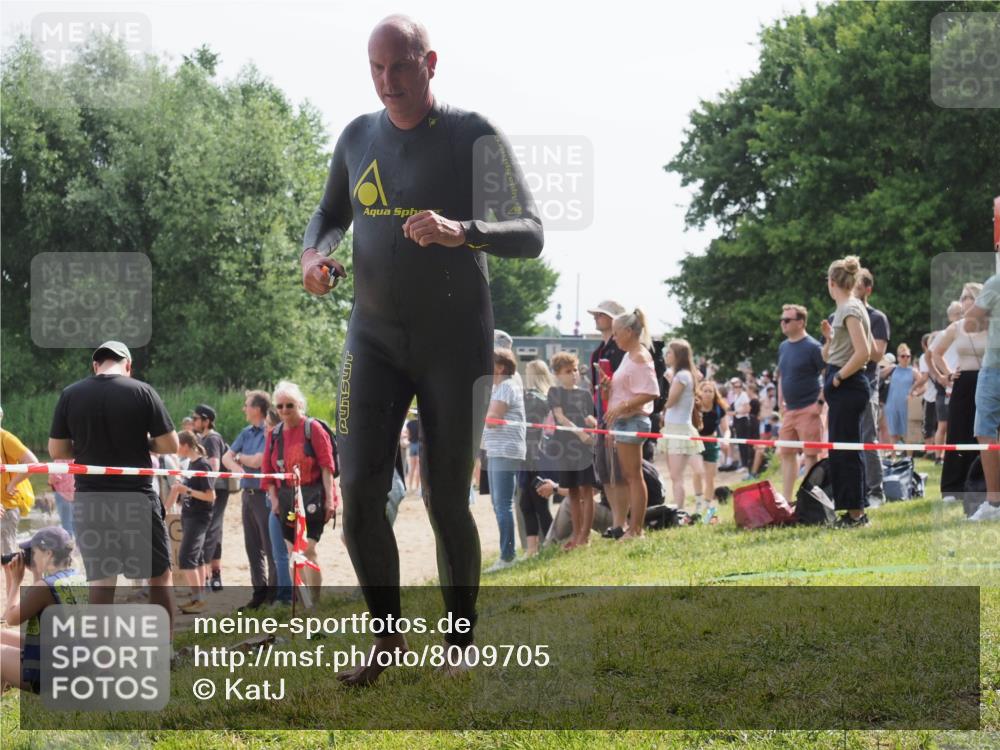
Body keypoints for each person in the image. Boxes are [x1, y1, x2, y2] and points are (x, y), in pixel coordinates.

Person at [299, 14, 543, 684]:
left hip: (455, 345)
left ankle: (459, 642)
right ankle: (387, 639)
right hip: (370, 341)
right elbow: (327, 215)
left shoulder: (470, 134)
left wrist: (461, 230)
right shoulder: (357, 137)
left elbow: (531, 232)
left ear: (429, 63)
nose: (387, 82)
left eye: (399, 67)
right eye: (375, 69)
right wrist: (312, 256)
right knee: (358, 494)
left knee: (443, 499)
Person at [47, 341, 178, 636]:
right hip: (136, 498)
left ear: (96, 365)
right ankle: (164, 650)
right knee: (159, 576)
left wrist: (87, 446)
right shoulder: (142, 391)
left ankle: (100, 654)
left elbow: (57, 450)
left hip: (91, 499)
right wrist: (140, 442)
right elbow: (171, 444)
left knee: (102, 582)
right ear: (128, 365)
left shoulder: (71, 394)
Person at [261, 381, 336, 602]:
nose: (284, 410)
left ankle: (315, 600)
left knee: (308, 549)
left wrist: (330, 500)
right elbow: (268, 472)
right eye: (280, 406)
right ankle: (306, 603)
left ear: (299, 405)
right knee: (295, 554)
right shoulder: (274, 435)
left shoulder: (313, 429)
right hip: (286, 501)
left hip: (314, 496)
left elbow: (327, 466)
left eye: (289, 405)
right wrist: (274, 500)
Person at [819, 257, 874, 528]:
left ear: (831, 283)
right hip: (846, 381)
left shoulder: (849, 309)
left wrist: (838, 378)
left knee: (847, 451)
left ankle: (856, 514)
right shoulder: (854, 307)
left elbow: (864, 352)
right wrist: (831, 338)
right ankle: (851, 511)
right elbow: (870, 349)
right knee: (842, 449)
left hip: (847, 382)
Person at [1, 527, 87, 693]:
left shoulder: (45, 587)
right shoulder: (77, 576)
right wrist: (36, 575)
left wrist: (16, 581)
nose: (30, 557)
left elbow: (11, 618)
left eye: (33, 552)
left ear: (48, 554)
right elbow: (32, 608)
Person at [599, 309, 660, 540]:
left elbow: (651, 392)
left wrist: (622, 406)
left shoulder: (640, 356)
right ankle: (633, 528)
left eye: (616, 333)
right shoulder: (629, 355)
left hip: (633, 420)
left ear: (628, 331)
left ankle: (636, 529)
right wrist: (608, 387)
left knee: (634, 476)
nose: (613, 338)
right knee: (629, 476)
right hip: (624, 421)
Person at [222, 390, 278, 609]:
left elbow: (258, 461)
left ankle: (274, 594)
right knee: (252, 547)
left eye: (247, 405)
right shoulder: (246, 432)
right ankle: (259, 593)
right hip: (248, 495)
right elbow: (227, 457)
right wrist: (241, 470)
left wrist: (240, 458)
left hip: (265, 496)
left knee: (270, 546)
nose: (244, 409)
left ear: (257, 408)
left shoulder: (270, 430)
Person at [932, 283, 986, 504]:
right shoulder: (956, 327)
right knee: (957, 432)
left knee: (982, 434)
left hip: (986, 382)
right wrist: (945, 375)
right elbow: (935, 353)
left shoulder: (992, 325)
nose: (965, 301)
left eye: (969, 297)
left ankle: (979, 484)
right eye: (963, 297)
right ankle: (952, 488)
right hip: (963, 384)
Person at [776, 304, 827, 502]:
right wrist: (781, 402)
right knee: (786, 453)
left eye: (787, 320)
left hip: (809, 408)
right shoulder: (783, 346)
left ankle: (809, 501)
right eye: (782, 320)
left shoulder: (813, 347)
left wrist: (820, 404)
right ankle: (787, 500)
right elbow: (782, 376)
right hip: (789, 411)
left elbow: (827, 376)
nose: (783, 323)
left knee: (811, 455)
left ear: (801, 322)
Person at [548, 352, 598, 550]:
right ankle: (577, 535)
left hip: (584, 449)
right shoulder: (555, 392)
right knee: (573, 492)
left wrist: (591, 424)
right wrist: (580, 433)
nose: (573, 374)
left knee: (587, 490)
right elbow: (560, 417)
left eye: (575, 369)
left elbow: (591, 418)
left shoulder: (585, 393)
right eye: (568, 371)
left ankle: (586, 535)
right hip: (566, 446)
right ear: (558, 374)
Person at [586, 299, 627, 529]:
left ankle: (623, 522)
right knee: (606, 473)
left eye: (600, 315)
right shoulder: (597, 352)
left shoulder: (620, 350)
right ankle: (615, 523)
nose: (596, 318)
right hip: (602, 417)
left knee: (619, 473)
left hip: (618, 416)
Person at [961, 274, 1000, 520]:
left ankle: (994, 502)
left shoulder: (996, 282)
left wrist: (989, 319)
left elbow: (969, 321)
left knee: (985, 431)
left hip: (994, 368)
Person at [483, 349, 526, 570]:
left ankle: (508, 556)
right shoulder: (497, 388)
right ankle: (506, 553)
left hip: (505, 451)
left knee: (503, 505)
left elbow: (492, 419)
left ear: (501, 367)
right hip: (496, 450)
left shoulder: (507, 387)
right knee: (498, 504)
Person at [165, 431, 215, 614]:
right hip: (189, 515)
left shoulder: (203, 465)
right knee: (197, 557)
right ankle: (199, 598)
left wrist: (187, 490)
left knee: (186, 558)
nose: (175, 449)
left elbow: (210, 496)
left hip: (199, 516)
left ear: (185, 445)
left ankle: (198, 599)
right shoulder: (191, 464)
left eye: (177, 445)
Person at [853, 268, 891, 506]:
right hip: (842, 387)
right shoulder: (837, 315)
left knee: (868, 438)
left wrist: (860, 327)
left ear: (868, 289)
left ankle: (876, 491)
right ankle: (851, 489)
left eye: (856, 285)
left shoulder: (877, 318)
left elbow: (877, 355)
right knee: (844, 440)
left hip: (867, 386)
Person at [520, 359, 557, 555]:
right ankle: (533, 549)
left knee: (538, 503)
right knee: (527, 503)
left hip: (535, 456)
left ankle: (550, 544)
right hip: (534, 455)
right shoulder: (546, 397)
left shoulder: (534, 399)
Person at [660, 339, 703, 510]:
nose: (666, 356)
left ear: (677, 355)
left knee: (677, 477)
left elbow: (670, 402)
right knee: (677, 476)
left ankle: (679, 510)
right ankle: (682, 508)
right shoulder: (685, 374)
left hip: (678, 429)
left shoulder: (681, 376)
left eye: (669, 353)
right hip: (678, 427)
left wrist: (670, 385)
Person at [190, 404, 228, 592]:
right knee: (215, 531)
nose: (193, 421)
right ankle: (215, 576)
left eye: (196, 418)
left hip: (215, 491)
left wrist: (206, 491)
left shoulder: (212, 439)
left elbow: (214, 466)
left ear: (206, 421)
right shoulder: (201, 438)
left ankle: (207, 577)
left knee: (211, 530)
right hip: (210, 490)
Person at [0, 407, 37, 596]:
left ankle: (10, 606)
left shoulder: (6, 438)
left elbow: (33, 463)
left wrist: (12, 483)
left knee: (7, 562)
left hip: (6, 507)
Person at [692, 380, 728, 522]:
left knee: (710, 476)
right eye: (705, 391)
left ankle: (707, 506)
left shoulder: (719, 408)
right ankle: (699, 503)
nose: (707, 394)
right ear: (700, 392)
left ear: (714, 394)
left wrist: (726, 438)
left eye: (710, 391)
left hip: (712, 443)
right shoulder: (695, 406)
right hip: (696, 442)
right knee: (698, 472)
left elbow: (727, 429)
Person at [882, 343, 920, 447]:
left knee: (907, 434)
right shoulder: (893, 368)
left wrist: (915, 393)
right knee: (893, 433)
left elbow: (924, 385)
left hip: (906, 406)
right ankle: (893, 458)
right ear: (898, 357)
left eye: (908, 356)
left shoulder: (913, 371)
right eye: (903, 356)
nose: (906, 358)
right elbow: (878, 375)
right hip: (891, 405)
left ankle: (908, 458)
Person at [916, 333, 939, 459]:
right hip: (942, 394)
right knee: (940, 424)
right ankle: (939, 452)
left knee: (928, 425)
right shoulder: (940, 355)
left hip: (930, 396)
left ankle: (930, 451)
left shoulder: (924, 357)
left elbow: (924, 377)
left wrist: (913, 388)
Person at [727, 376, 752, 470]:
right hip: (737, 420)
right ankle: (743, 463)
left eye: (739, 386)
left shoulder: (743, 395)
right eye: (735, 386)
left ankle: (745, 464)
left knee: (743, 442)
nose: (737, 388)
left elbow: (748, 409)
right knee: (740, 442)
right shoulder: (736, 396)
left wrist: (735, 412)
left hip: (742, 420)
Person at [47, 458, 75, 539]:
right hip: (76, 494)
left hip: (62, 495)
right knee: (75, 522)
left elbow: (55, 477)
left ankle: (68, 544)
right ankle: (77, 545)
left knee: (66, 523)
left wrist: (49, 482)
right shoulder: (76, 459)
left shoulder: (59, 460)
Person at [404, 418, 421, 494]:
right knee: (418, 468)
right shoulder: (420, 422)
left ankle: (410, 487)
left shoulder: (409, 423)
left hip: (412, 445)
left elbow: (408, 434)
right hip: (419, 445)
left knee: (412, 468)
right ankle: (417, 488)